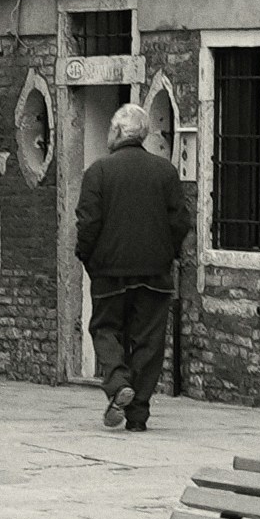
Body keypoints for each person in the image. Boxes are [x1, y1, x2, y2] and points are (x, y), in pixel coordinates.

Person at [70, 101, 193, 432]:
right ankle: (137, 415)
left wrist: (86, 257)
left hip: (109, 270)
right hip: (155, 271)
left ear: (116, 132)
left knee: (105, 329)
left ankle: (118, 382)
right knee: (148, 342)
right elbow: (180, 221)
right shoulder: (165, 171)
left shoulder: (98, 172)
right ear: (143, 134)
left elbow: (88, 223)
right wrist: (167, 253)